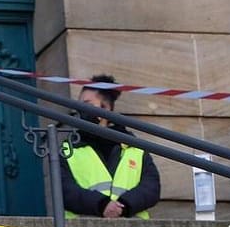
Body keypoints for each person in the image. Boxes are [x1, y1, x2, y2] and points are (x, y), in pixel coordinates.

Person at [60, 77, 159, 219]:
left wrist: (123, 206)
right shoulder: (68, 149)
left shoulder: (135, 148)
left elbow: (151, 189)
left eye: (86, 104)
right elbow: (65, 191)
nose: (80, 110)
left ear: (105, 108)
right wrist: (102, 205)